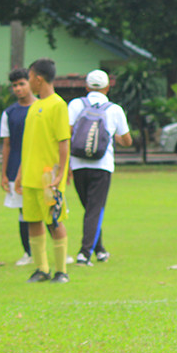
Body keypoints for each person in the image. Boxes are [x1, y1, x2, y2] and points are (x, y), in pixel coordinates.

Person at [67, 69, 132, 266]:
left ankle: (100, 250)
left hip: (77, 163)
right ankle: (84, 253)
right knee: (94, 209)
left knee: (90, 208)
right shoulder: (114, 109)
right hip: (102, 165)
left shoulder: (76, 104)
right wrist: (114, 136)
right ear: (107, 87)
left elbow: (67, 131)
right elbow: (127, 140)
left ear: (86, 87)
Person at [16, 58, 70, 283]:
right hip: (30, 176)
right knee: (33, 222)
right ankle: (42, 269)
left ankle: (61, 271)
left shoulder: (58, 105)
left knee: (54, 222)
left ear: (38, 79)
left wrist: (60, 174)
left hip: (48, 177)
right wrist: (19, 174)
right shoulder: (34, 106)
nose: (28, 82)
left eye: (29, 78)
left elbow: (63, 142)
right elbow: (28, 144)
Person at [0, 68, 35, 265]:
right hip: (15, 168)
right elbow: (7, 145)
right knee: (23, 211)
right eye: (15, 85)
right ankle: (28, 253)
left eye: (22, 84)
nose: (18, 88)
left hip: (39, 167)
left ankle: (58, 251)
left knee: (47, 208)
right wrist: (4, 173)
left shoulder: (41, 107)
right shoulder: (10, 113)